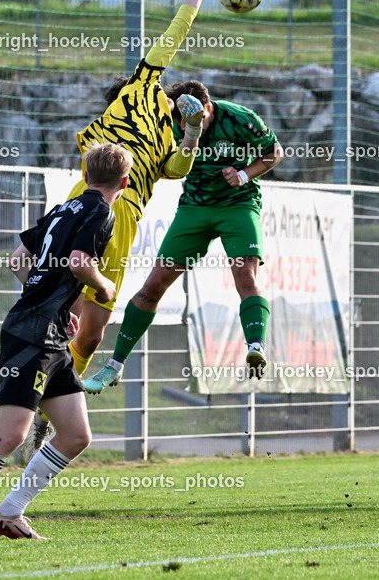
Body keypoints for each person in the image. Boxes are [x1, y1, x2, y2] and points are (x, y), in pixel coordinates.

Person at [19, 0, 234, 454]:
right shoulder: (144, 85)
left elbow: (178, 170)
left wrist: (191, 135)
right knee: (50, 293)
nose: (198, 115)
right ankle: (21, 387)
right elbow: (175, 32)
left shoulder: (178, 133)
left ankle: (50, 396)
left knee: (91, 330)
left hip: (126, 213)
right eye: (198, 111)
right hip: (87, 196)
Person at [0, 142, 132, 544]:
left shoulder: (65, 208)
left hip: (47, 332)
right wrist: (104, 286)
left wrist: (52, 300)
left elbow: (17, 259)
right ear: (126, 180)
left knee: (76, 435)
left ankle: (10, 511)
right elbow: (81, 263)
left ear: (85, 175)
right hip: (32, 334)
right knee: (12, 434)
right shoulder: (102, 212)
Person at [85, 81, 284, 392]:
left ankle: (255, 347)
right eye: (180, 119)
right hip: (194, 208)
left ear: (207, 108)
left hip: (238, 204)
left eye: (194, 120)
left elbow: (275, 152)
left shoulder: (239, 118)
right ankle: (114, 365)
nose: (186, 126)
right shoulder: (170, 124)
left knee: (245, 275)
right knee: (153, 285)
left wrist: (244, 175)